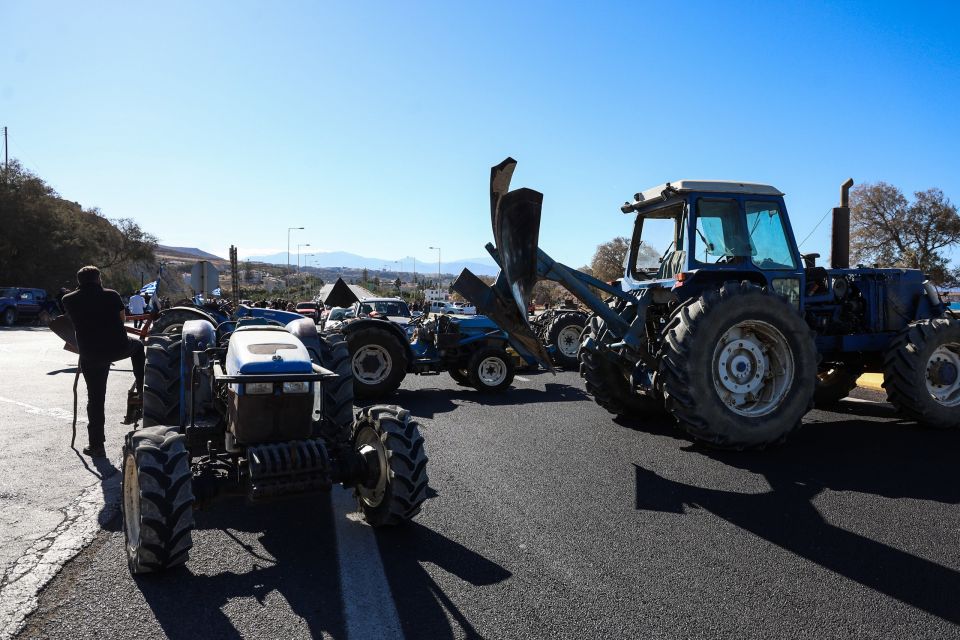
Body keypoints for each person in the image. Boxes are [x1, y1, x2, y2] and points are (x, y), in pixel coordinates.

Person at [61, 266, 146, 458]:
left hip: (91, 354)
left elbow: (71, 323)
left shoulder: (68, 299)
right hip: (118, 347)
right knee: (139, 346)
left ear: (79, 281)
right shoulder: (112, 295)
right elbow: (121, 318)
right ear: (98, 279)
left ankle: (96, 445)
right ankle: (142, 387)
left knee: (96, 399)